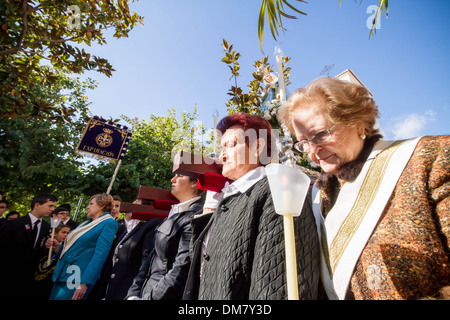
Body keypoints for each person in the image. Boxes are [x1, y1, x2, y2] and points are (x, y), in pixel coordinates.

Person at [278, 76, 450, 300]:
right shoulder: (318, 197)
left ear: (358, 122)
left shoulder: (429, 157)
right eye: (304, 142)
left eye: (321, 134)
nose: (313, 151)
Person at [183, 112, 320, 300]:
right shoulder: (229, 200)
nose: (222, 155)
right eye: (221, 147)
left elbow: (276, 284)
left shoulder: (276, 190)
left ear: (258, 146)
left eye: (230, 145)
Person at [126, 173, 204, 300]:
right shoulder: (174, 214)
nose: (172, 179)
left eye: (179, 176)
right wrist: (133, 293)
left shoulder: (196, 216)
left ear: (194, 183)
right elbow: (151, 259)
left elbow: (181, 268)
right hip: (145, 292)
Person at [46, 193, 118, 300]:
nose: (87, 207)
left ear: (102, 206)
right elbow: (73, 249)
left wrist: (85, 282)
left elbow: (100, 255)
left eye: (91, 204)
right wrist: (57, 247)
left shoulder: (108, 223)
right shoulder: (84, 224)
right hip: (62, 274)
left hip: (77, 278)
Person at [88, 210, 161, 300]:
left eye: (137, 201)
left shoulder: (151, 224)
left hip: (126, 290)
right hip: (110, 288)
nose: (133, 205)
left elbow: (145, 262)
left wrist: (134, 292)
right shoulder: (128, 228)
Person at [0, 193, 57, 300]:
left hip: (30, 277)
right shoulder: (14, 224)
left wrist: (48, 246)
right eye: (50, 206)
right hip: (9, 274)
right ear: (37, 205)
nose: (52, 209)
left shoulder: (46, 227)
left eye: (54, 206)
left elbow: (41, 251)